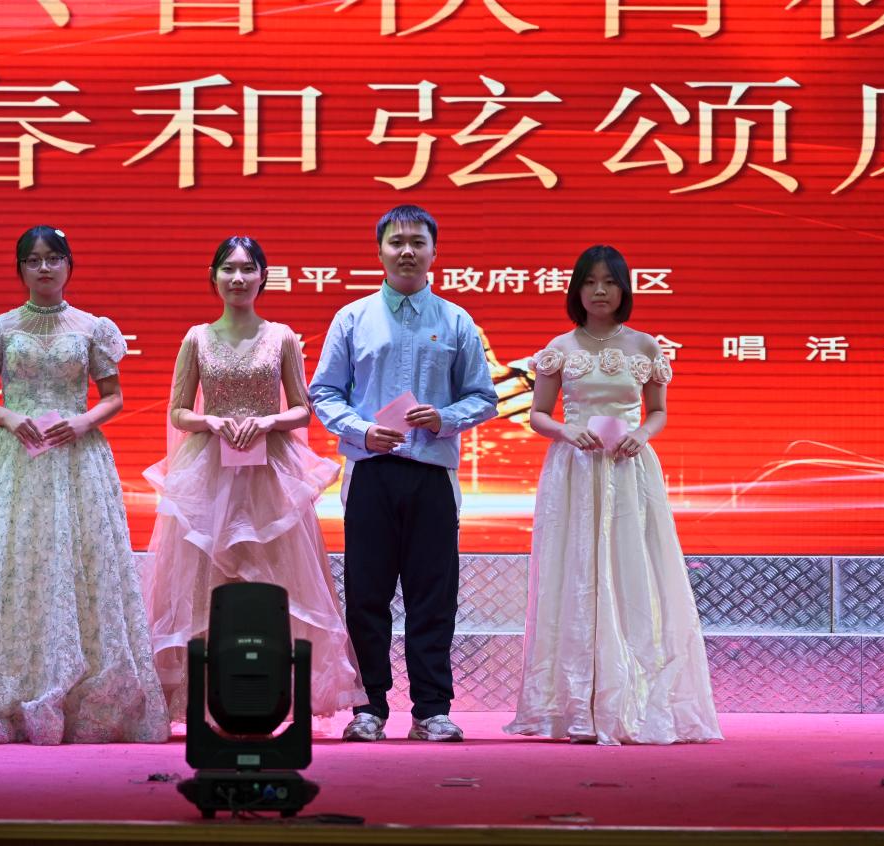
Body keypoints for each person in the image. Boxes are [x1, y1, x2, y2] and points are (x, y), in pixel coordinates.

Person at [0, 225, 169, 745]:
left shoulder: (92, 328)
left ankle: (83, 701)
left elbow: (114, 397)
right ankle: (2, 696)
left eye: (53, 258)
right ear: (20, 269)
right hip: (14, 459)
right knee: (5, 569)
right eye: (33, 260)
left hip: (76, 460)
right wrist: (11, 417)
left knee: (80, 569)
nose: (44, 268)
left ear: (68, 265)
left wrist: (84, 421)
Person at [505, 245, 722, 746]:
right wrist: (565, 431)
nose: (599, 291)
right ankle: (574, 707)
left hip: (628, 469)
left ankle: (635, 701)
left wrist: (642, 433)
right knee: (576, 575)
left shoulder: (645, 346)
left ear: (624, 289)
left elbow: (657, 411)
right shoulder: (560, 347)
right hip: (575, 471)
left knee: (634, 572)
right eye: (589, 281)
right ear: (576, 289)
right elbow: (538, 414)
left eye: (609, 281)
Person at [142, 235, 365, 720]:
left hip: (270, 473)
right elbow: (178, 411)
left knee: (276, 580)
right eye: (228, 269)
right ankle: (207, 698)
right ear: (214, 277)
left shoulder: (281, 336)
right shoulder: (196, 338)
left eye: (248, 269)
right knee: (206, 581)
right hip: (209, 473)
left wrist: (267, 421)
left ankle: (272, 694)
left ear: (264, 276)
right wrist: (210, 420)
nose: (238, 278)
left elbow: (303, 409)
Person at [309, 205, 499, 742]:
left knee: (432, 596)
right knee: (366, 595)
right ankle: (368, 708)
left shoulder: (456, 320)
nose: (407, 251)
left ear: (435, 251)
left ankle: (431, 710)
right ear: (380, 251)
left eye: (418, 242)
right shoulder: (352, 318)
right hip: (370, 471)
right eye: (397, 242)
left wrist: (445, 418)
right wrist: (362, 430)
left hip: (432, 474)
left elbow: (484, 397)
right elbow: (324, 392)